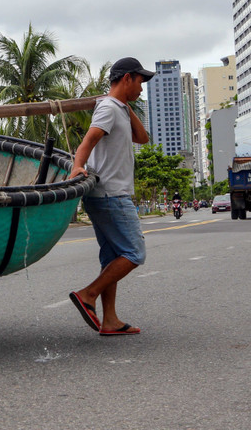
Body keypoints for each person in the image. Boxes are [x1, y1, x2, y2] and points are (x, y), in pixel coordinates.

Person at [68, 57, 153, 336]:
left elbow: (142, 138)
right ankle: (88, 295)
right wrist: (77, 166)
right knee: (134, 252)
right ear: (127, 78)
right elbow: (89, 140)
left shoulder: (118, 109)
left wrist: (125, 105)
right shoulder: (107, 109)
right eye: (139, 82)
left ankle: (110, 321)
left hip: (106, 195)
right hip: (111, 195)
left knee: (113, 256)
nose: (142, 89)